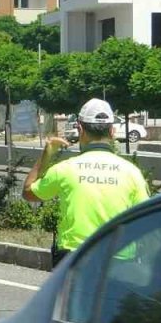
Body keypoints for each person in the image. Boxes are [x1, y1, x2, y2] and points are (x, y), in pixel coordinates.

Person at [24, 98, 150, 269]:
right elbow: (145, 219)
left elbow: (29, 192)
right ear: (112, 131)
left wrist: (46, 155)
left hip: (73, 258)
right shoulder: (132, 173)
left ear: (80, 129)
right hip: (119, 261)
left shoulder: (65, 169)